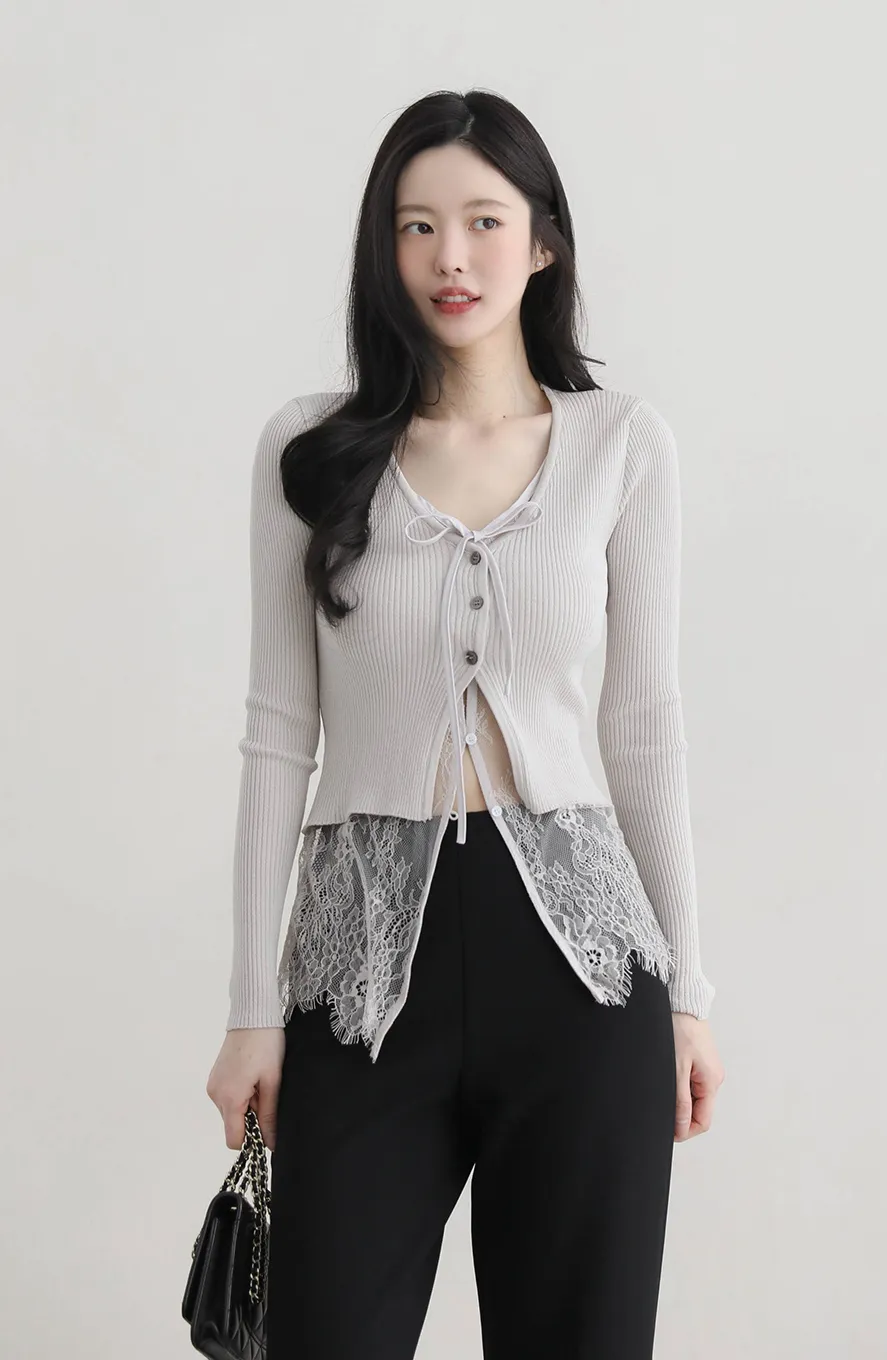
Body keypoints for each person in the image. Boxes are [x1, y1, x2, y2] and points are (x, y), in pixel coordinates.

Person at [206, 87, 725, 1360]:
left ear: (542, 241)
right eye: (417, 224)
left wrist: (688, 992)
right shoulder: (310, 449)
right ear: (382, 247)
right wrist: (251, 1008)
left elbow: (644, 728)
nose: (451, 256)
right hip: (358, 966)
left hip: (584, 969)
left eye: (485, 221)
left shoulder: (621, 445)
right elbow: (277, 733)